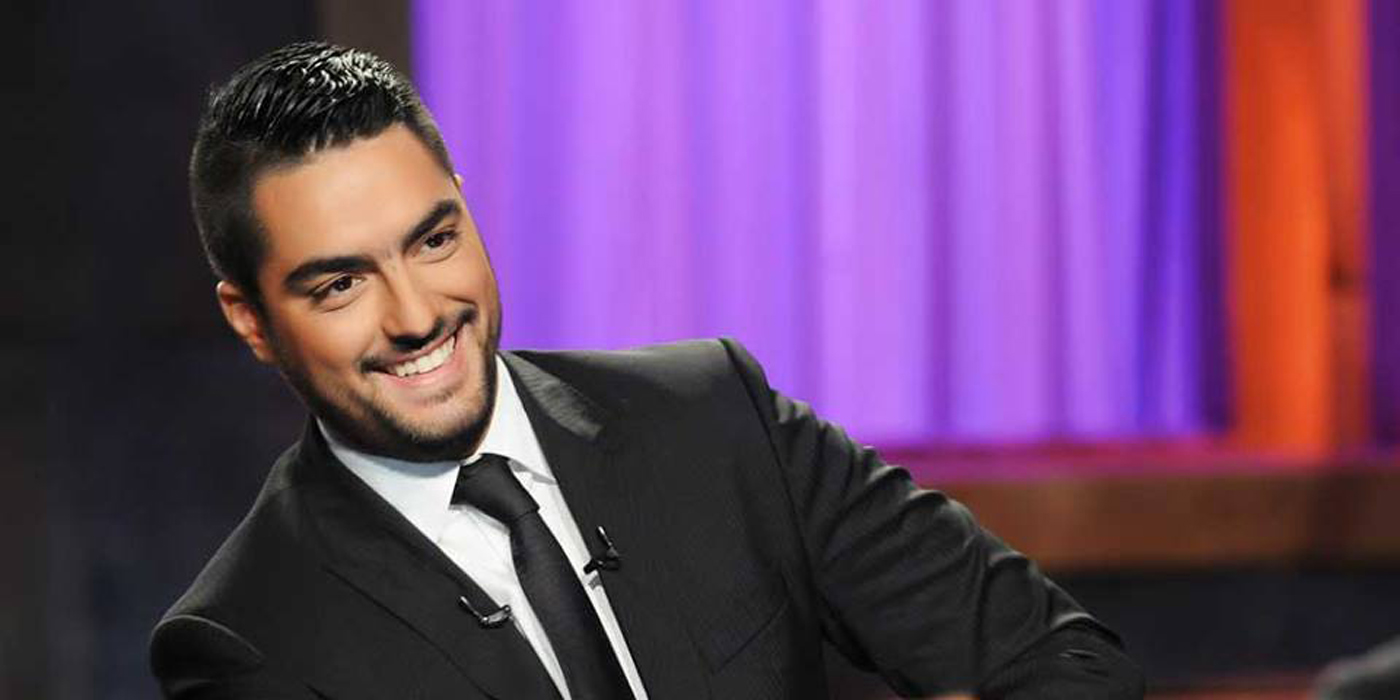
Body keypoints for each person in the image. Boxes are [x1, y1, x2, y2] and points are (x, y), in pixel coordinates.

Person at [151, 41, 1144, 699]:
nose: (416, 316)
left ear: (464, 202)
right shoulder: (246, 639)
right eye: (339, 285)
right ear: (251, 319)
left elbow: (1059, 661)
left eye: (434, 239)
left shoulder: (716, 417)